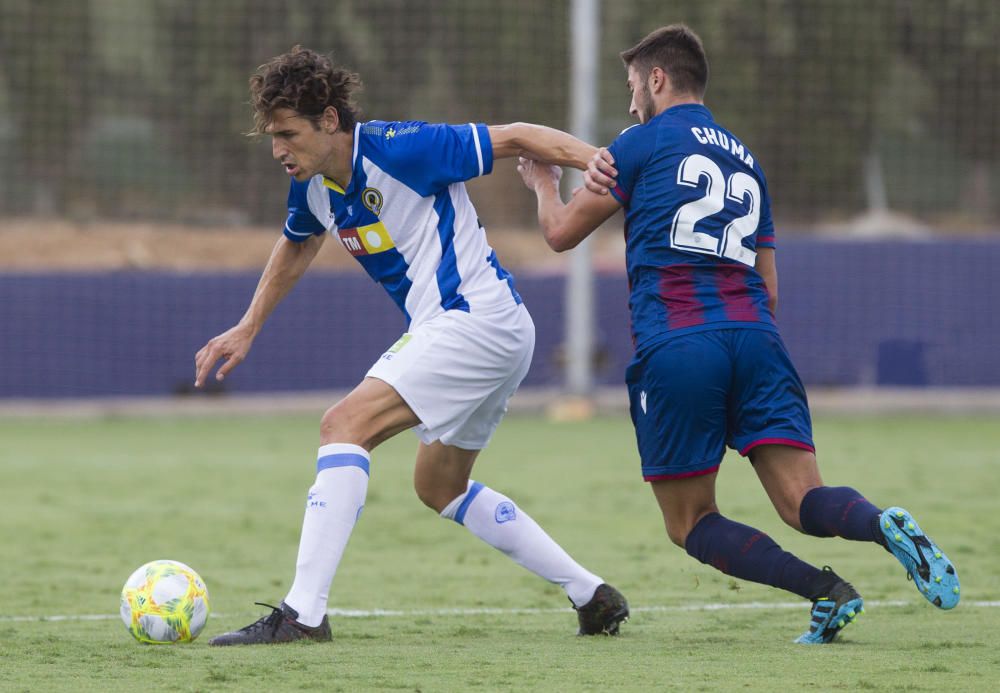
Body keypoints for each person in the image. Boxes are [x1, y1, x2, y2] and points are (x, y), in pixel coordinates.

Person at [516, 25, 959, 644]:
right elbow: (770, 287)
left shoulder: (637, 143)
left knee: (691, 521)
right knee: (804, 500)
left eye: (632, 86)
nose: (629, 101)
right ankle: (883, 524)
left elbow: (561, 234)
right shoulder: (746, 157)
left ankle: (825, 591)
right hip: (756, 337)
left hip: (681, 344)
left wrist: (542, 184)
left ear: (658, 79)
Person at [193, 46, 629, 645]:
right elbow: (296, 245)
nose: (277, 150)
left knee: (342, 426)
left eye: (287, 134)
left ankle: (302, 615)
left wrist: (600, 162)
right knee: (439, 486)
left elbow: (518, 136)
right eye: (272, 136)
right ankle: (591, 594)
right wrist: (248, 325)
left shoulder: (402, 148)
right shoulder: (314, 183)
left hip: (471, 319)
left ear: (328, 121)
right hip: (492, 330)